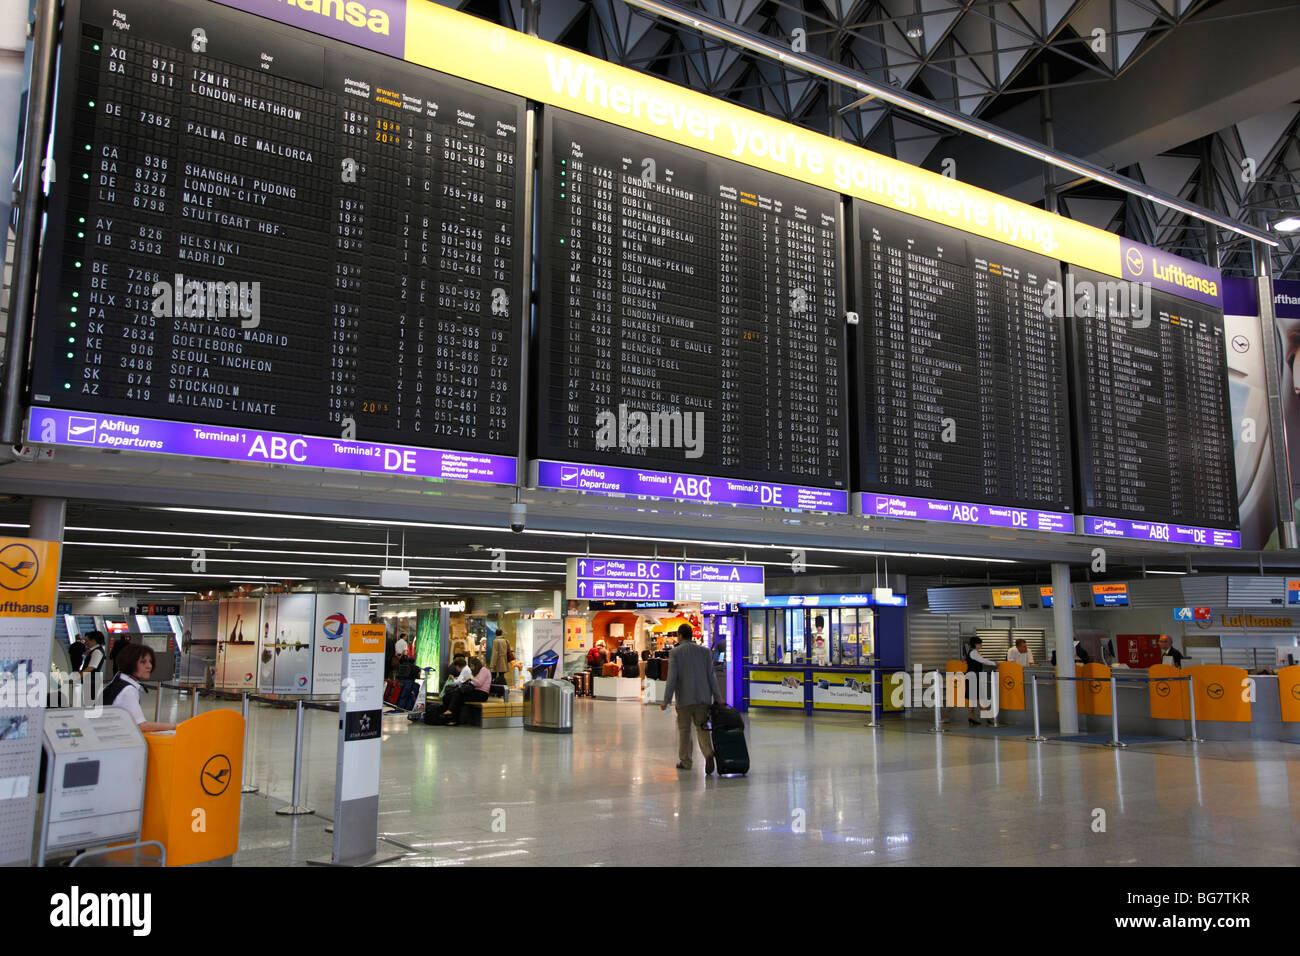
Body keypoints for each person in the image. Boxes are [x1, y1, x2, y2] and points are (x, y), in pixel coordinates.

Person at [659, 623, 723, 774]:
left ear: (680, 636)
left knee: (684, 730)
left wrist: (666, 700)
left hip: (684, 700)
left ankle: (686, 761)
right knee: (702, 728)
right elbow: (711, 677)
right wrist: (718, 697)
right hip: (703, 698)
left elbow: (672, 678)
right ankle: (708, 753)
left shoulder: (675, 652)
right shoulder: (705, 652)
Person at [101, 643, 177, 733]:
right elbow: (141, 726)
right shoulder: (128, 690)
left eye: (150, 661)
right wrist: (175, 726)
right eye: (143, 662)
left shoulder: (118, 680)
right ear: (130, 663)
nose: (149, 666)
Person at [439, 657, 491, 726]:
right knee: (455, 695)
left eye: (472, 666)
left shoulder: (484, 670)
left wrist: (471, 678)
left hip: (481, 694)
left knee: (458, 694)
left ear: (476, 665)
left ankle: (451, 713)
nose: (471, 668)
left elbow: (479, 683)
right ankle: (451, 718)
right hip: (475, 692)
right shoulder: (477, 672)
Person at [963, 636, 999, 726]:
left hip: (971, 676)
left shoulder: (971, 652)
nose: (981, 645)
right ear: (975, 644)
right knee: (981, 698)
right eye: (980, 643)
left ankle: (971, 717)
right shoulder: (974, 652)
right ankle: (990, 718)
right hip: (974, 677)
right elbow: (982, 661)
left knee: (972, 698)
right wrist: (994, 663)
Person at [79, 632, 106, 697]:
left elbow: (91, 667)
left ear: (93, 641)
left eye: (87, 640)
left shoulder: (97, 651)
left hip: (91, 681)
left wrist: (78, 676)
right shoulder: (94, 650)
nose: (85, 642)